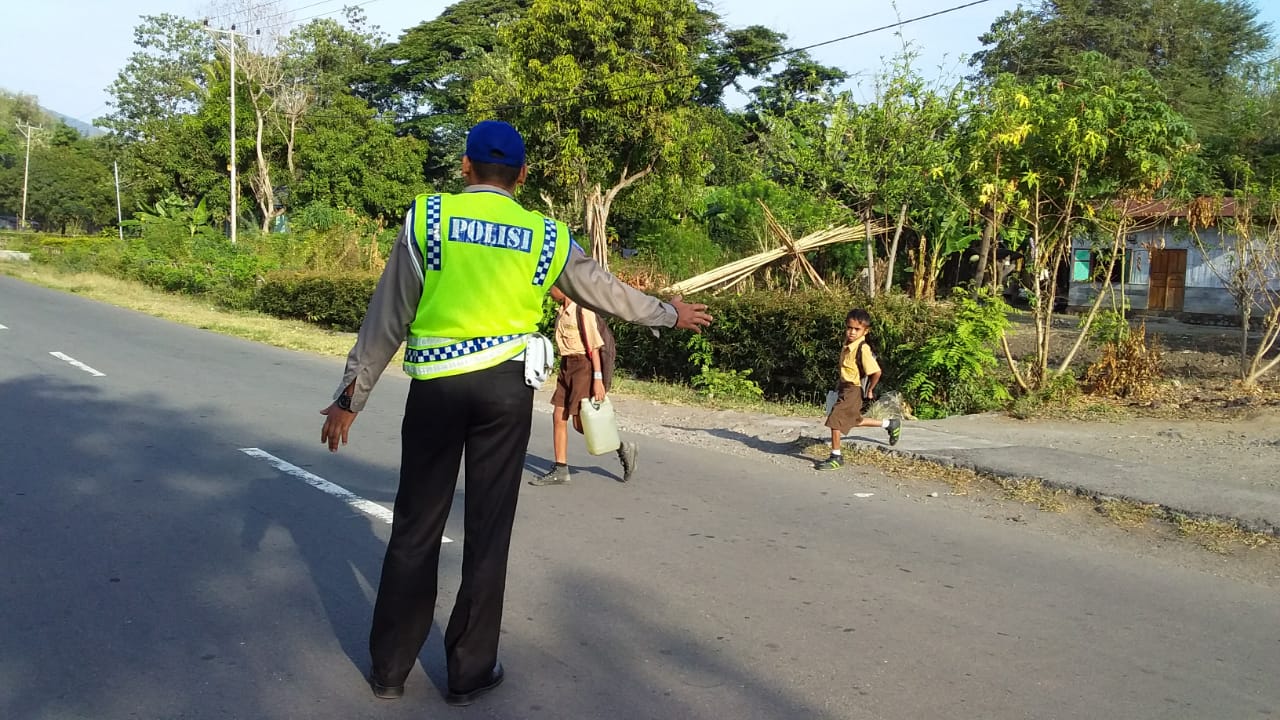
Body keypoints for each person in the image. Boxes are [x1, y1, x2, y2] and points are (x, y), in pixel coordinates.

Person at [318, 120, 713, 706]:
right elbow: (602, 291)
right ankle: (468, 672)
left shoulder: (429, 219)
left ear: (465, 168)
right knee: (488, 532)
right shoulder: (544, 235)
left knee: (415, 528)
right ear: (523, 176)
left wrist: (352, 395)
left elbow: (388, 316)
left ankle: (389, 671)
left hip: (436, 391)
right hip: (504, 394)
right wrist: (667, 312)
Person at [531, 286, 637, 486]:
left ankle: (623, 448)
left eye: (553, 287)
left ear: (563, 289)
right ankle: (560, 469)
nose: (550, 291)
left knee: (583, 425)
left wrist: (598, 380)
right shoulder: (562, 312)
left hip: (584, 368)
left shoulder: (583, 311)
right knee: (558, 416)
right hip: (567, 366)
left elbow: (595, 348)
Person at [814, 308, 901, 470]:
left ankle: (836, 456)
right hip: (844, 387)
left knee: (835, 420)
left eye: (857, 329)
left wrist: (870, 390)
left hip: (853, 390)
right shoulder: (848, 344)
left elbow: (876, 372)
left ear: (865, 331)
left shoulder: (862, 348)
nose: (852, 332)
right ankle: (890, 424)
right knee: (855, 421)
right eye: (849, 328)